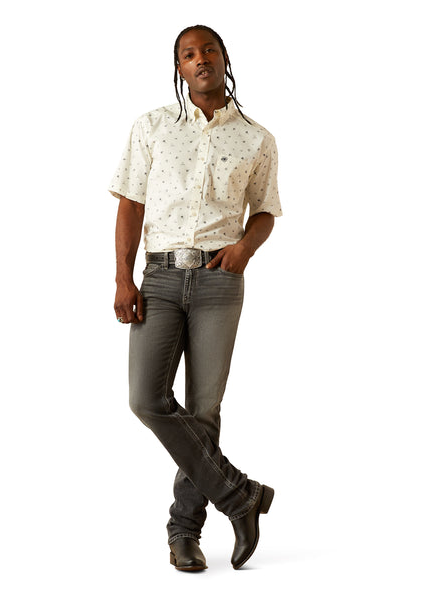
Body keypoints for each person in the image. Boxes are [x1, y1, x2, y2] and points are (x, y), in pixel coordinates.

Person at [109, 24, 282, 571]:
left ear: (224, 58)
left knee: (204, 411)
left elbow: (265, 211)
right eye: (188, 53)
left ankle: (184, 533)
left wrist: (243, 249)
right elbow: (131, 204)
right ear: (179, 67)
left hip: (218, 281)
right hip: (159, 278)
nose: (200, 58)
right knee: (146, 399)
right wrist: (123, 278)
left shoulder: (257, 138)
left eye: (208, 49)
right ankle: (240, 496)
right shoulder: (152, 127)